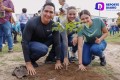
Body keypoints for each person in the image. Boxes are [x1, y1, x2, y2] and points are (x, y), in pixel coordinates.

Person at [22, 3, 63, 75]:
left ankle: (50, 58)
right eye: (46, 11)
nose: (48, 14)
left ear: (54, 14)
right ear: (42, 11)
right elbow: (24, 42)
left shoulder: (54, 25)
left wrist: (58, 60)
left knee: (59, 37)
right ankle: (31, 60)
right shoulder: (32, 22)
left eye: (51, 12)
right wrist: (28, 63)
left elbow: (57, 44)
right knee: (43, 49)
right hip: (31, 44)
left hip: (43, 42)